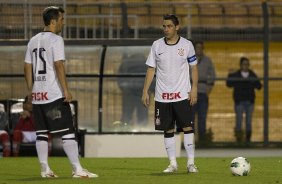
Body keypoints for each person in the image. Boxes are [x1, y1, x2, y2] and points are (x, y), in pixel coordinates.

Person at [24, 6, 98, 178]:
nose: (63, 23)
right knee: (68, 132)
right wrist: (66, 90)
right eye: (61, 19)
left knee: (41, 134)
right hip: (53, 94)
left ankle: (45, 169)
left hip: (38, 96)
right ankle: (77, 170)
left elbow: (27, 66)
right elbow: (59, 65)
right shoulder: (56, 40)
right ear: (53, 21)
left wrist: (31, 90)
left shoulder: (33, 40)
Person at [142, 14, 199, 173]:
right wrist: (145, 91)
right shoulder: (156, 45)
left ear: (177, 27)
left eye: (169, 26)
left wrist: (194, 88)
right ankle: (173, 164)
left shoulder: (187, 45)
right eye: (164, 26)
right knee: (168, 129)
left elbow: (194, 67)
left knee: (187, 127)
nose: (166, 29)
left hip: (182, 95)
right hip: (162, 96)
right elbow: (151, 68)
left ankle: (191, 163)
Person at [226, 57, 262, 145]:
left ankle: (247, 141)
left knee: (248, 122)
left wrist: (254, 81)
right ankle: (239, 140)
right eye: (244, 64)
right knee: (239, 121)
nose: (245, 66)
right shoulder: (237, 74)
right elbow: (229, 84)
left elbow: (259, 86)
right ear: (241, 65)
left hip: (249, 102)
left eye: (247, 64)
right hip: (239, 102)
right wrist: (229, 75)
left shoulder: (252, 74)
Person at [115, 53, 150, 129]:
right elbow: (152, 79)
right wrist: (150, 91)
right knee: (142, 117)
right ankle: (143, 134)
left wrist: (125, 89)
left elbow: (120, 79)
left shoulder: (126, 63)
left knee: (126, 116)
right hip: (142, 94)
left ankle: (124, 132)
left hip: (129, 94)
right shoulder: (147, 63)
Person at [192, 41, 216, 145]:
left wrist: (209, 87)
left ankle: (202, 141)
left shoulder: (207, 60)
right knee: (190, 118)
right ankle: (191, 141)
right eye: (197, 48)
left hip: (202, 92)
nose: (199, 49)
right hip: (191, 92)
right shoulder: (189, 59)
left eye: (200, 48)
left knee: (202, 117)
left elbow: (213, 74)